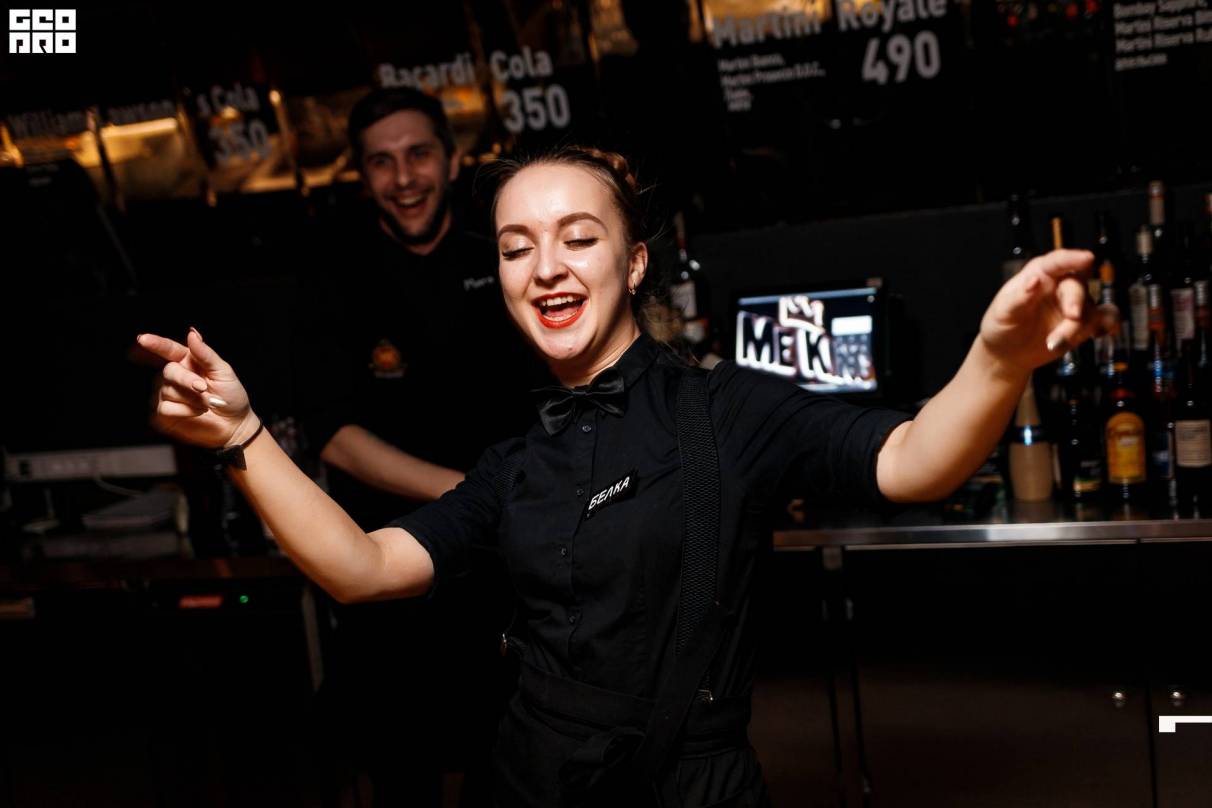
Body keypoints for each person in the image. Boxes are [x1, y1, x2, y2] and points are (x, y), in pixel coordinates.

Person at [137, 146, 1110, 807]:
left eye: (578, 237)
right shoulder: (517, 462)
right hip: (526, 781)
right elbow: (362, 567)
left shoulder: (729, 408)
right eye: (517, 247)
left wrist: (998, 361)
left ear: (635, 261)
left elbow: (913, 462)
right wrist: (243, 436)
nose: (545, 268)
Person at [296, 88, 541, 806]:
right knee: (403, 776)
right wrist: (470, 494)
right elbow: (333, 437)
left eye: (419, 155)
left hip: (504, 572)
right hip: (388, 576)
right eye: (382, 162)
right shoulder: (335, 274)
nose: (404, 178)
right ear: (362, 174)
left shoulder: (504, 254)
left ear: (452, 160)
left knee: (513, 770)